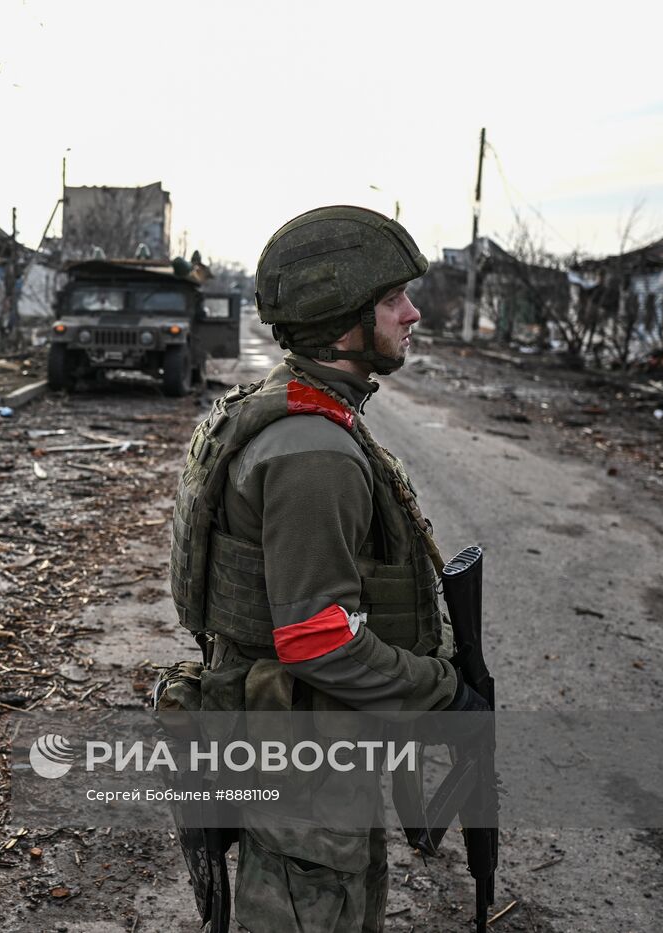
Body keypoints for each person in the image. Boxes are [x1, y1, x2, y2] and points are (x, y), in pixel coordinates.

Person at [167, 205, 489, 932]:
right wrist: (445, 691)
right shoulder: (314, 452)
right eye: (391, 299)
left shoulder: (308, 415)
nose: (412, 313)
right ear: (343, 322)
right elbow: (317, 639)